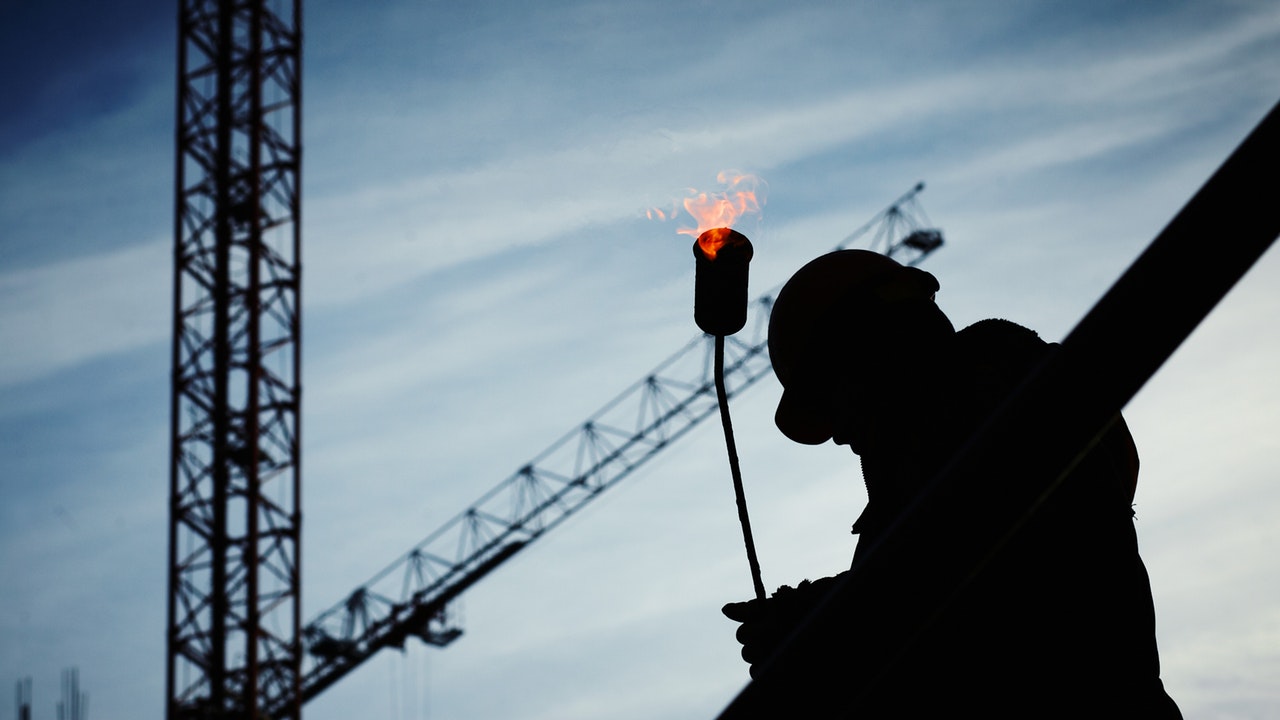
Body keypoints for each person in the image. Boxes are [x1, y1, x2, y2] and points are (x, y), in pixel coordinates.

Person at [722, 249, 1181, 717]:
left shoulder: (1012, 403)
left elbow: (986, 587)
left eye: (830, 400)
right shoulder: (927, 476)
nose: (837, 433)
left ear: (868, 351)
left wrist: (824, 624)